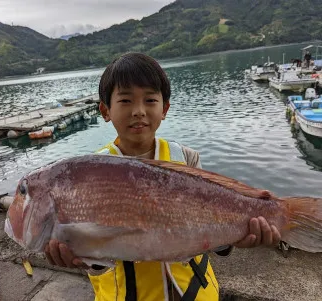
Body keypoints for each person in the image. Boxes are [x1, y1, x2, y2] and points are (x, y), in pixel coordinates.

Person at [45, 52, 282, 301]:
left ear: (164, 108)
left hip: (193, 293)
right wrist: (81, 256)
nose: (138, 111)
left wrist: (237, 236)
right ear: (105, 110)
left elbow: (213, 225)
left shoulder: (187, 158)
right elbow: (99, 251)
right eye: (125, 101)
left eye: (150, 100)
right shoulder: (91, 174)